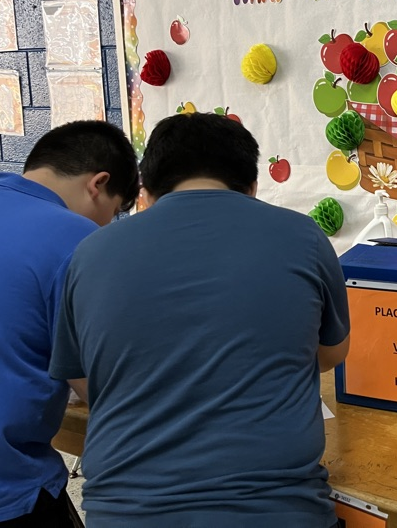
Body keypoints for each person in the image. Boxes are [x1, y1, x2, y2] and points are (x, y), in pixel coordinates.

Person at [49, 112, 350, 528]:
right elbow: (332, 352)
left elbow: (85, 381)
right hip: (280, 512)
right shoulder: (304, 236)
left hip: (127, 515)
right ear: (252, 187)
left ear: (147, 192)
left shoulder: (90, 253)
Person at [0, 121, 139, 528]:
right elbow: (107, 392)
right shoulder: (78, 239)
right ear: (98, 183)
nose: (105, 227)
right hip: (1, 491)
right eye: (112, 214)